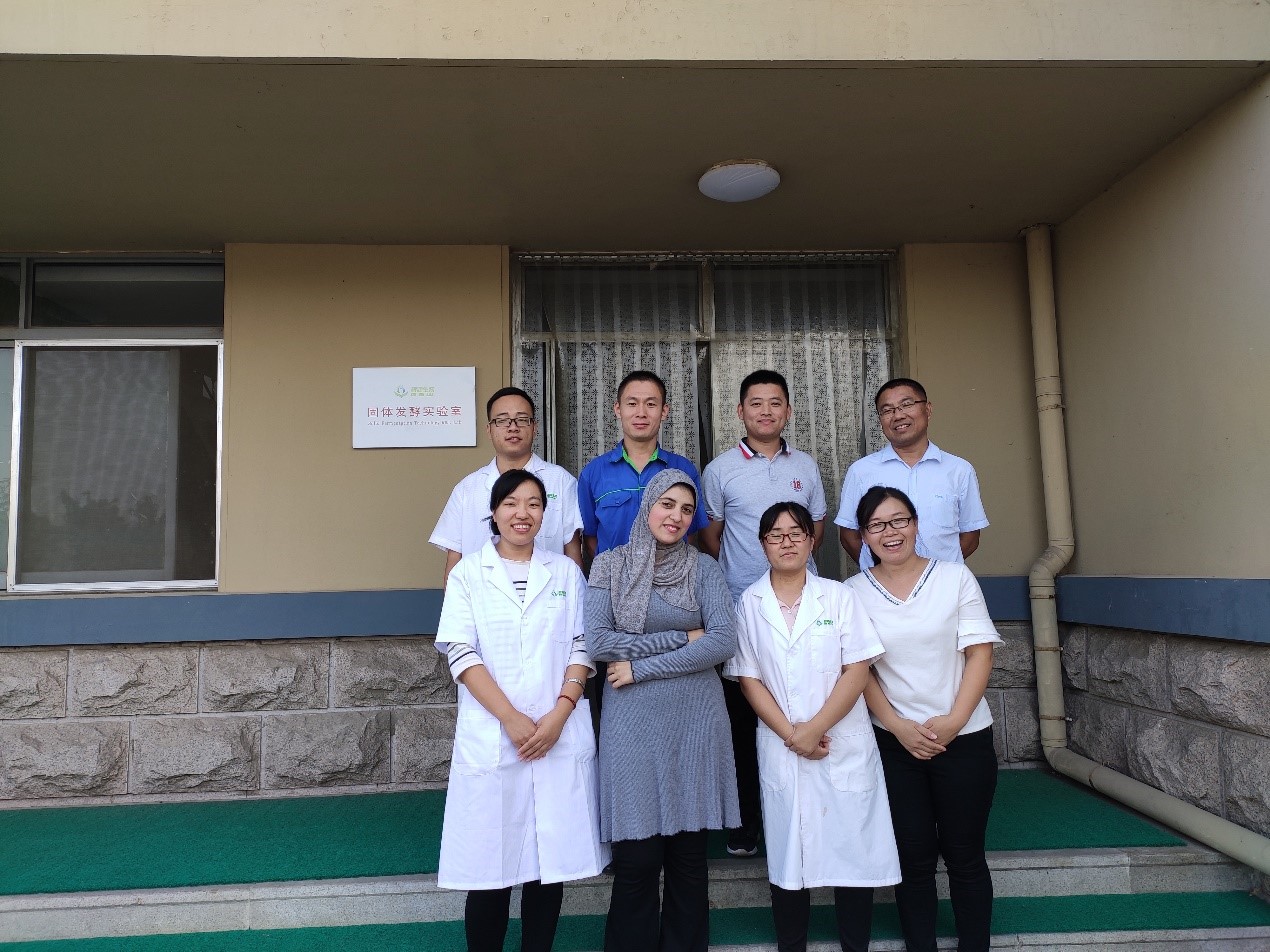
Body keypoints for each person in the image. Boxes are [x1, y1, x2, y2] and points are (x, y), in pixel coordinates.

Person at [434, 469, 608, 952]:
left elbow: (582, 646)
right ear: (493, 512)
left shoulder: (566, 572)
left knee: (547, 868)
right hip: (495, 735)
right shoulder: (468, 573)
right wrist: (511, 718)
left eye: (533, 504)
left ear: (544, 514)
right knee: (489, 869)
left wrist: (559, 714)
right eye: (510, 503)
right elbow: (461, 653)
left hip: (557, 731)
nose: (522, 513)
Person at [726, 501, 900, 952]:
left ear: (811, 541)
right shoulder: (748, 604)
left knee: (853, 855)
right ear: (762, 544)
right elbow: (749, 679)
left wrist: (814, 727)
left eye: (796, 533)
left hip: (840, 740)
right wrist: (792, 734)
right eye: (775, 535)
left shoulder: (839, 597)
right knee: (789, 858)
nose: (786, 542)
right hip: (782, 743)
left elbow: (857, 669)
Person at [584, 469, 740, 952]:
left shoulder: (704, 568)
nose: (676, 516)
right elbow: (599, 642)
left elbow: (723, 640)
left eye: (687, 509)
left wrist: (640, 667)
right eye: (667, 504)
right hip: (632, 726)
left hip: (695, 722)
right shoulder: (609, 566)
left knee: (689, 860)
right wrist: (681, 638)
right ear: (647, 505)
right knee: (637, 860)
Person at [845, 486, 1000, 952]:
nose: (890, 533)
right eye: (876, 525)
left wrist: (954, 721)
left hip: (964, 738)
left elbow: (979, 653)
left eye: (899, 521)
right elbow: (859, 669)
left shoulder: (954, 577)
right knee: (913, 860)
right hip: (896, 745)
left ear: (915, 524)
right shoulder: (852, 593)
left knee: (965, 856)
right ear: (863, 536)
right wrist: (897, 726)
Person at [700, 369, 828, 858]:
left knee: (804, 705)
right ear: (741, 411)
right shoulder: (720, 470)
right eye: (756, 403)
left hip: (802, 606)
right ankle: (747, 822)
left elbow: (815, 529)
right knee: (744, 719)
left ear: (788, 411)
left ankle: (808, 817)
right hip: (743, 610)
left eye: (775, 403)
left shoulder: (807, 467)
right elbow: (712, 537)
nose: (766, 411)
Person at [430, 386, 583, 585]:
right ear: (489, 429)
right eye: (502, 420)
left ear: (534, 427)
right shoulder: (467, 489)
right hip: (482, 599)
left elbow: (573, 553)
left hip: (548, 598)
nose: (513, 427)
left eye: (522, 419)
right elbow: (454, 565)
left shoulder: (561, 481)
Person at [834, 378, 988, 569]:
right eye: (887, 410)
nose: (898, 415)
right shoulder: (861, 471)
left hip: (943, 583)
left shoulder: (959, 470)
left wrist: (937, 573)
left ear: (928, 409)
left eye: (906, 405)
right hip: (883, 584)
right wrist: (881, 571)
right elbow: (849, 536)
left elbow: (970, 536)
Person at [577, 370, 708, 559]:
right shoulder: (594, 473)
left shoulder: (683, 470)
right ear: (618, 409)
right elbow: (590, 538)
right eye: (632, 404)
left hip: (670, 576)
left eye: (651, 404)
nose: (641, 413)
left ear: (664, 411)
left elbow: (690, 532)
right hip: (614, 575)